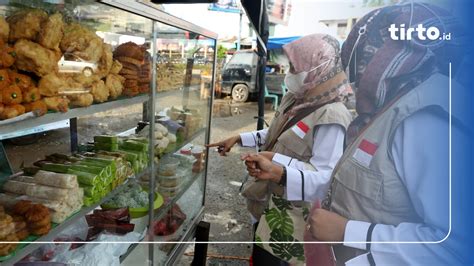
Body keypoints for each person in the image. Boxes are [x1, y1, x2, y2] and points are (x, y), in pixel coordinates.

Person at [243, 2, 468, 265]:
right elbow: (349, 182)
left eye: (364, 58)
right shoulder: (388, 110)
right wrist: (279, 166)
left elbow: (455, 245)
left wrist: (349, 232)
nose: (356, 76)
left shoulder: (426, 118)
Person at [208, 34, 352, 264]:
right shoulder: (296, 98)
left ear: (319, 67)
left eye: (295, 66)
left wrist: (278, 169)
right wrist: (238, 138)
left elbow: (325, 179)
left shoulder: (332, 115)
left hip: (290, 220)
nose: (290, 72)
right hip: (265, 205)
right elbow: (276, 133)